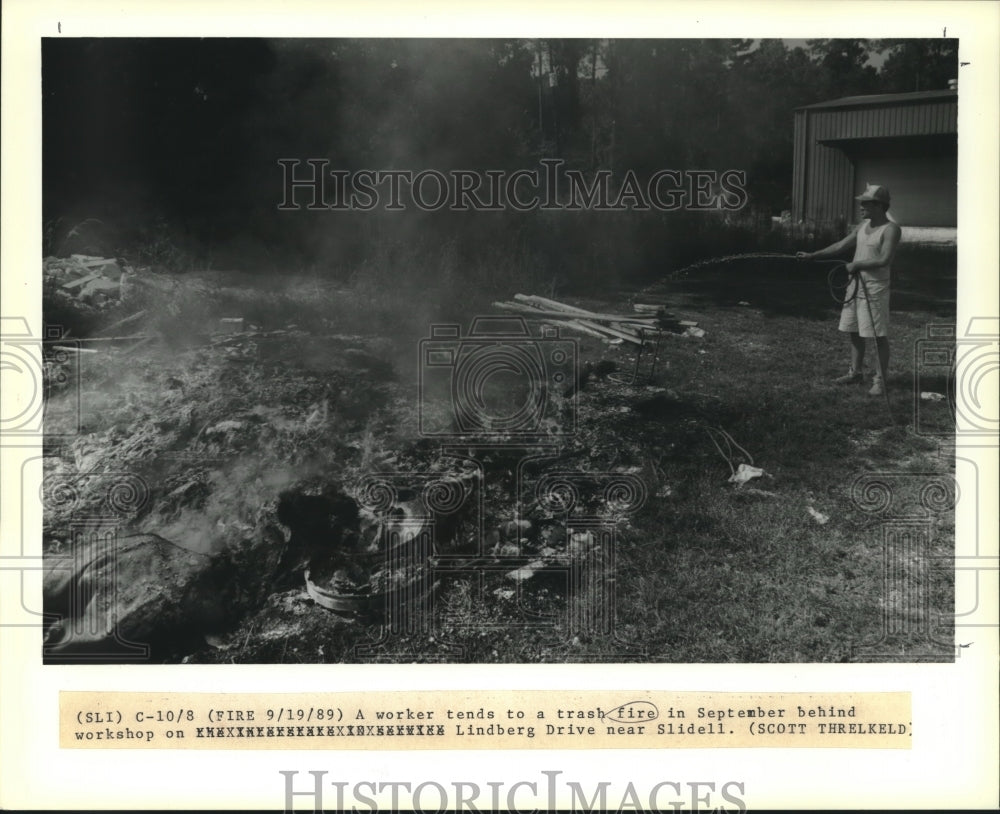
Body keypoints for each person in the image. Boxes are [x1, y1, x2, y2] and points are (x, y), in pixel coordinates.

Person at [797, 184, 902, 396]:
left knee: (877, 335)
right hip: (855, 285)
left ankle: (880, 380)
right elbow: (840, 246)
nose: (861, 207)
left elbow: (885, 259)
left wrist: (858, 265)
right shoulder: (863, 226)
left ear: (880, 206)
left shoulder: (891, 229)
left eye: (866, 203)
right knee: (853, 330)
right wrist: (813, 255)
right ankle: (855, 373)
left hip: (875, 288)